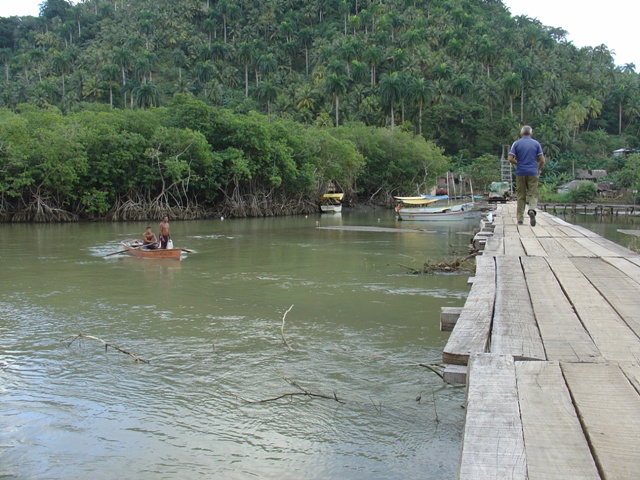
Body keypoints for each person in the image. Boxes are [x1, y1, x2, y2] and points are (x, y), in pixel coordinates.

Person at [508, 125, 545, 226]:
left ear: (521, 133)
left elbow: (510, 159)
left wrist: (518, 163)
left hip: (520, 172)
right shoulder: (536, 144)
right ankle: (532, 210)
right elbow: (542, 160)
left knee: (521, 196)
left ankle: (520, 219)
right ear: (531, 133)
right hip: (533, 172)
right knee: (532, 194)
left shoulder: (516, 144)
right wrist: (538, 169)